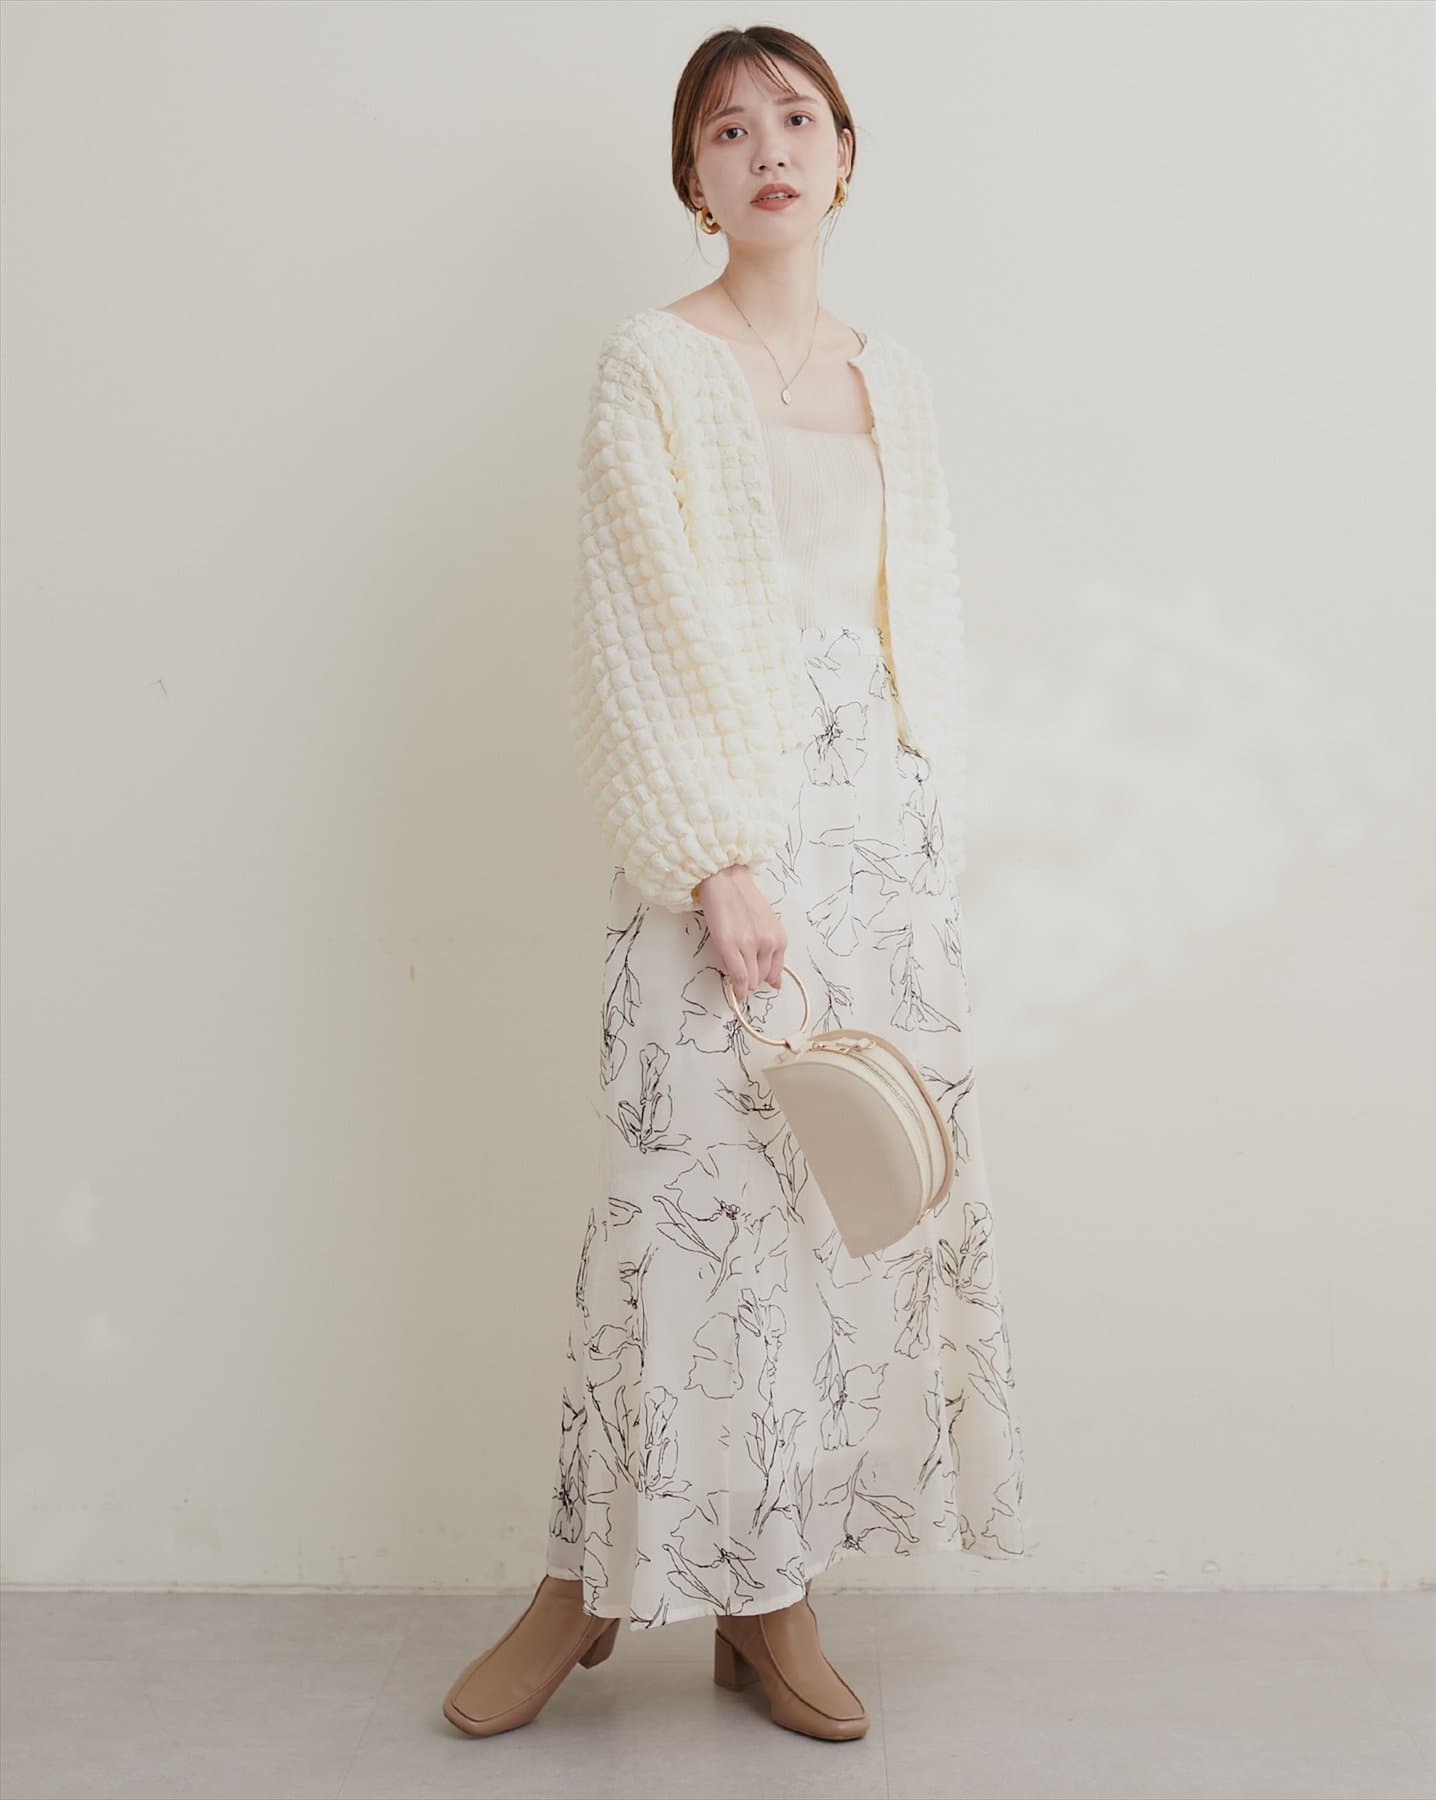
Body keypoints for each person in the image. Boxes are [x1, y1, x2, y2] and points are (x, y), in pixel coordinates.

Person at [443, 23, 1029, 1744]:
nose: (766, 148)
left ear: (845, 154)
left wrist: (929, 836)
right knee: (674, 1219)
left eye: (796, 118)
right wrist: (714, 859)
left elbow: (922, 625)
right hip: (722, 835)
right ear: (691, 179)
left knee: (829, 1223)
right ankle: (584, 1584)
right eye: (725, 128)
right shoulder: (653, 363)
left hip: (881, 849)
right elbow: (638, 621)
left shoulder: (892, 376)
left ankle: (771, 1604)